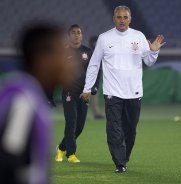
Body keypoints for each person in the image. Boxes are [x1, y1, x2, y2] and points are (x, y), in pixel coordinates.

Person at [80, 5, 165, 173]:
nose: (122, 20)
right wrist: (87, 87)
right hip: (112, 92)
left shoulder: (138, 36)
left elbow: (148, 62)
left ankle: (124, 157)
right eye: (119, 17)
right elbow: (94, 64)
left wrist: (153, 52)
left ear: (130, 19)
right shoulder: (105, 39)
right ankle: (119, 162)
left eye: (125, 17)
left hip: (134, 92)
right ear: (114, 19)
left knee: (130, 130)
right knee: (114, 128)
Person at [0, 22, 74, 184]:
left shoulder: (32, 94)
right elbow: (7, 162)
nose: (70, 61)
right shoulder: (22, 99)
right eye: (63, 53)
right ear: (44, 58)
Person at [55, 24, 100, 163]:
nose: (76, 35)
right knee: (71, 121)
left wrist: (94, 89)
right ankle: (71, 154)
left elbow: (96, 71)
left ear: (82, 35)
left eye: (79, 32)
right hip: (69, 92)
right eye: (73, 32)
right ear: (69, 36)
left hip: (84, 93)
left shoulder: (88, 52)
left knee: (79, 127)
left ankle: (61, 148)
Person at [89, 36, 104, 119]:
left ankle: (96, 112)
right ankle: (96, 112)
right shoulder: (90, 52)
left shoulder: (100, 52)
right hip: (91, 75)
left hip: (97, 74)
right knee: (92, 94)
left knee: (94, 94)